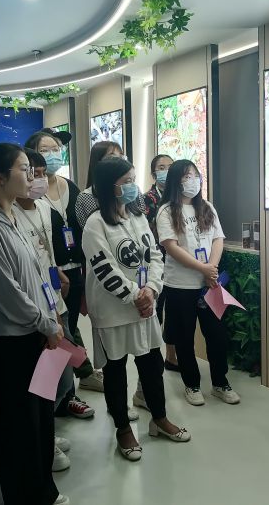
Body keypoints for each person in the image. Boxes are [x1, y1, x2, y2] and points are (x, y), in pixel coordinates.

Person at [0, 143, 70, 504]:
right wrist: (43, 322)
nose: (32, 176)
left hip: (33, 332)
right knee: (18, 426)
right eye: (24, 169)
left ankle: (43, 491)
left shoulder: (14, 216)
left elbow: (36, 272)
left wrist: (51, 315)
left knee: (39, 419)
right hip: (8, 341)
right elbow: (5, 290)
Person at [82, 157, 191, 461]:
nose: (133, 186)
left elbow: (154, 254)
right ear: (109, 186)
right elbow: (104, 268)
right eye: (126, 181)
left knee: (152, 365)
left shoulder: (137, 216)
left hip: (145, 306)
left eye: (133, 179)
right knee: (115, 370)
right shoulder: (95, 224)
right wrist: (135, 296)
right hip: (114, 311)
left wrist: (152, 290)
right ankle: (123, 429)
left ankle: (159, 418)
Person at [25, 130, 99, 419]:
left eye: (57, 149)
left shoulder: (70, 187)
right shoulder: (30, 197)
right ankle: (61, 397)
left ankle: (67, 392)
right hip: (47, 278)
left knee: (69, 327)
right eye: (46, 149)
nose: (54, 154)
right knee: (57, 334)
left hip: (72, 271)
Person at [156, 160, 241, 406]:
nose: (191, 180)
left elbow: (218, 239)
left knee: (217, 335)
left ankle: (220, 383)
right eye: (186, 176)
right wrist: (202, 268)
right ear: (175, 181)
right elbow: (171, 247)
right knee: (184, 338)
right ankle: (191, 384)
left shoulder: (206, 207)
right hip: (180, 285)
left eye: (194, 175)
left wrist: (211, 268)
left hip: (209, 285)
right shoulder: (166, 211)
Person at [13, 148, 76, 473]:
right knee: (40, 382)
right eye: (31, 173)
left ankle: (47, 431)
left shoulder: (42, 207)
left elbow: (45, 252)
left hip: (53, 298)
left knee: (61, 377)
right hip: (32, 310)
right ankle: (42, 442)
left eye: (40, 173)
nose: (37, 179)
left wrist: (57, 271)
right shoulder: (7, 214)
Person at [75, 140, 145, 420]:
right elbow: (100, 254)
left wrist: (149, 290)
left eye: (121, 155)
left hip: (139, 286)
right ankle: (120, 416)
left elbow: (147, 242)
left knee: (147, 355)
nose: (118, 160)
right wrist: (133, 293)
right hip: (111, 291)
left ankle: (146, 398)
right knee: (115, 360)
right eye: (111, 157)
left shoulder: (134, 205)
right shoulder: (90, 207)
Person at [142, 154, 178, 372]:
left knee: (174, 310)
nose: (166, 171)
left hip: (179, 261)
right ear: (154, 173)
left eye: (170, 167)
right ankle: (152, 354)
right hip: (156, 260)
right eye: (161, 167)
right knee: (157, 308)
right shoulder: (147, 199)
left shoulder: (180, 196)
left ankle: (171, 356)